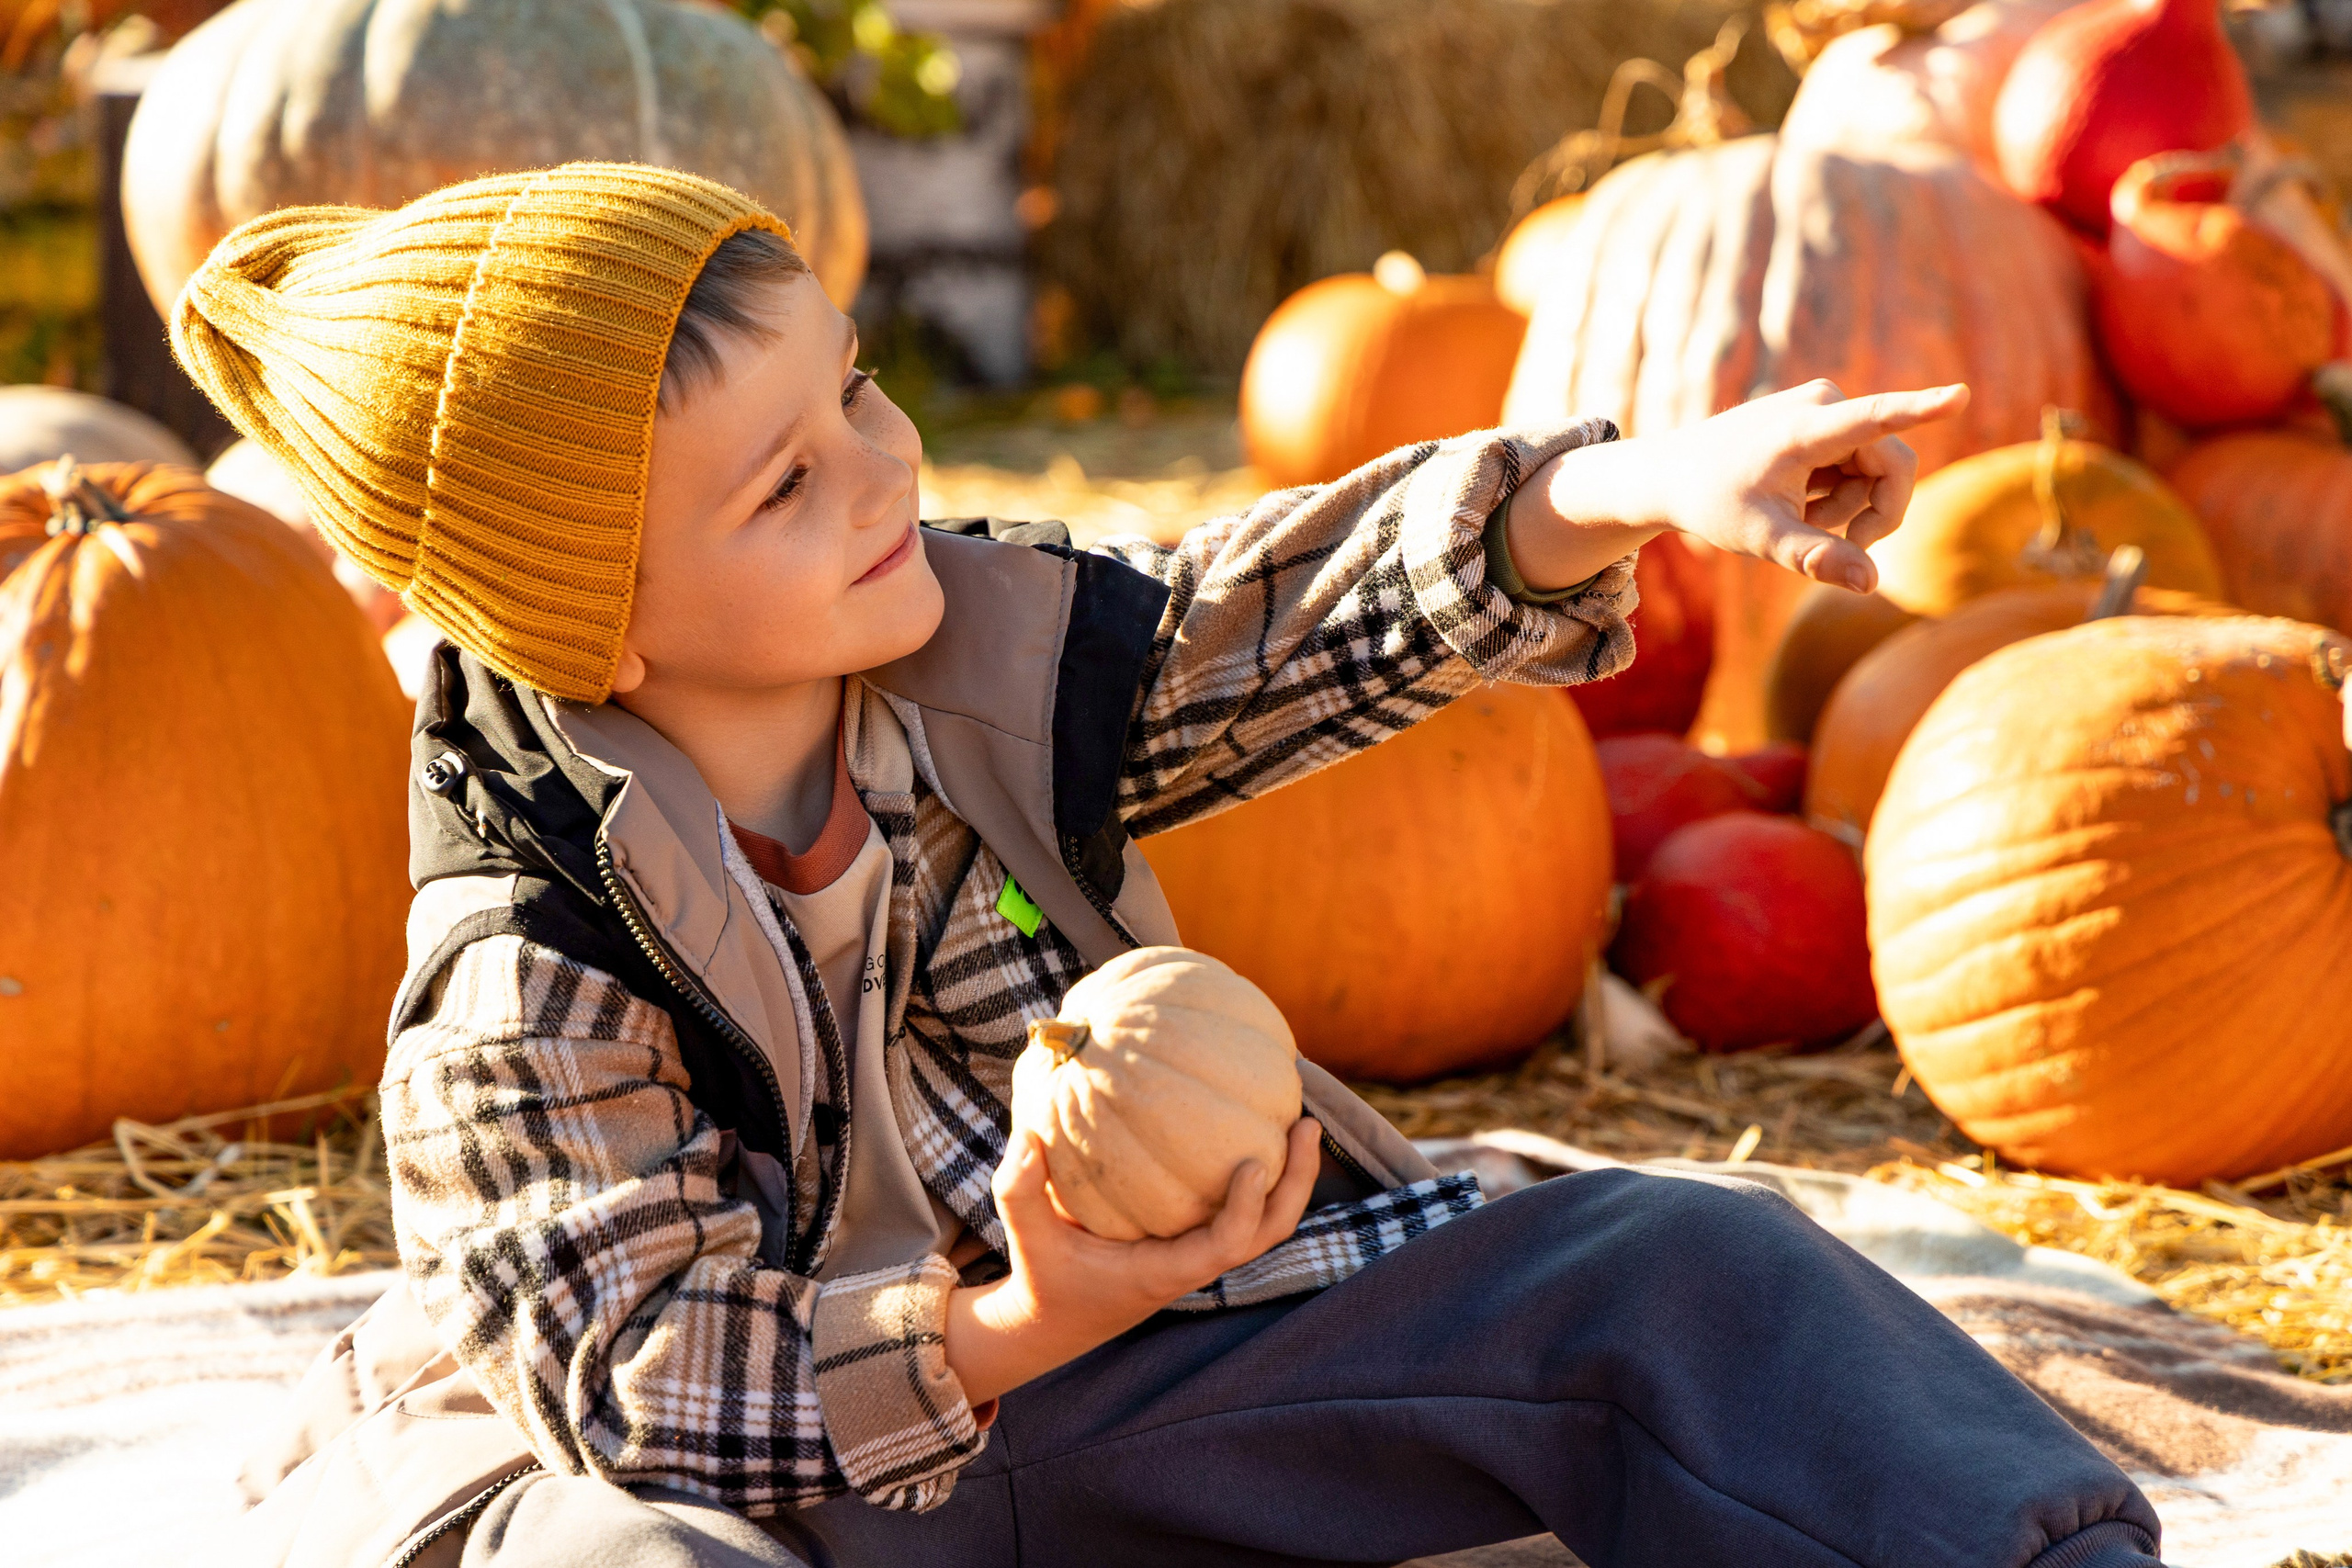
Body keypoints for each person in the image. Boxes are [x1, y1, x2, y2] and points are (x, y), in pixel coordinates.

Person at [176, 163, 2162, 1568]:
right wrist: (1009, 1319)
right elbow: (636, 1374)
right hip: (783, 1483)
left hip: (1115, 1378)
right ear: (593, 628)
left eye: (853, 386)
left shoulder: (988, 660)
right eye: (786, 481)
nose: (882, 468)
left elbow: (1282, 613)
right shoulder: (526, 959)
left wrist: (1630, 489)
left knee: (1668, 1269)